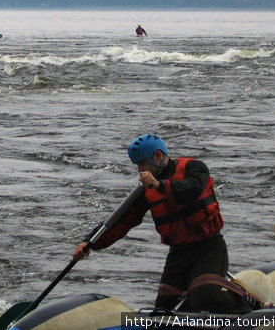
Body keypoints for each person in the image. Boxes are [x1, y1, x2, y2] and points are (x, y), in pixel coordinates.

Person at [73, 134, 251, 313]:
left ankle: (244, 303)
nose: (140, 169)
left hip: (209, 248)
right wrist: (90, 242)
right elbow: (122, 221)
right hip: (178, 254)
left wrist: (159, 185)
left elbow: (191, 190)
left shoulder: (194, 168)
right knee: (162, 310)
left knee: (202, 298)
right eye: (138, 165)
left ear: (158, 156)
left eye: (143, 164)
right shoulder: (147, 189)